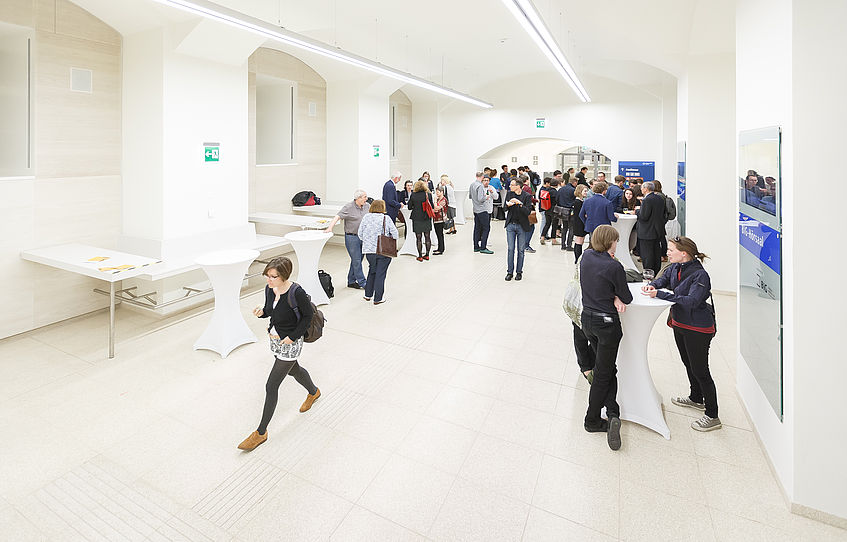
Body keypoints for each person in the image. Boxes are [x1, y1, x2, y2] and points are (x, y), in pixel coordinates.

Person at [238, 257, 321, 451]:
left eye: (273, 277)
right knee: (294, 370)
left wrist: (292, 337)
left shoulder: (296, 292)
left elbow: (307, 316)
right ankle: (314, 392)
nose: (269, 280)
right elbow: (270, 310)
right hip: (275, 339)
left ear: (284, 276)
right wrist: (262, 313)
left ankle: (260, 433)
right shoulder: (269, 289)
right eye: (267, 276)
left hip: (290, 342)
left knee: (271, 385)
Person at [642, 236, 720, 432]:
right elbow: (664, 279)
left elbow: (692, 301)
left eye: (670, 250)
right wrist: (655, 285)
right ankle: (696, 397)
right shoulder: (675, 267)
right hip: (680, 323)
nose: (667, 253)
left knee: (701, 370)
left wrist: (660, 294)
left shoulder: (700, 276)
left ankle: (712, 415)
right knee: (688, 363)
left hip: (697, 328)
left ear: (683, 253)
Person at [579, 225, 632, 451]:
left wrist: (611, 296)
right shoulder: (614, 266)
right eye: (616, 242)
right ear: (609, 242)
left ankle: (612, 411)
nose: (617, 245)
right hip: (607, 325)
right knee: (603, 372)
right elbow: (627, 297)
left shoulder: (586, 256)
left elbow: (595, 285)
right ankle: (592, 419)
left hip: (587, 320)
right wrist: (616, 297)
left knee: (607, 368)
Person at [323, 189, 370, 289]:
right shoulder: (348, 207)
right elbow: (337, 217)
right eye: (364, 197)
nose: (367, 198)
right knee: (356, 260)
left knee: (358, 260)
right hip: (352, 237)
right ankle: (363, 283)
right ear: (358, 198)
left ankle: (351, 281)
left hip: (363, 236)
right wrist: (330, 228)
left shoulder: (367, 206)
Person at [357, 200, 399, 305]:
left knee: (372, 271)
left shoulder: (366, 217)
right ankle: (378, 298)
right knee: (381, 274)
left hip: (369, 251)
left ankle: (368, 294)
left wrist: (369, 241)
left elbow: (360, 234)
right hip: (383, 251)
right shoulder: (386, 218)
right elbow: (395, 234)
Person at [503, 177, 533, 281]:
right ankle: (509, 272)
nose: (510, 186)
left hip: (522, 226)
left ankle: (519, 272)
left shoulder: (527, 196)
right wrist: (508, 205)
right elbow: (504, 208)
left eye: (512, 185)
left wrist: (519, 203)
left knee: (521, 250)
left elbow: (528, 211)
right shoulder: (509, 194)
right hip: (511, 225)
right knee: (511, 249)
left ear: (518, 186)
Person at [636, 181, 665, 277]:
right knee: (656, 252)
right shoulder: (659, 198)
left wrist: (637, 211)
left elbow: (644, 216)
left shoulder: (647, 200)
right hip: (657, 230)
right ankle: (656, 271)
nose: (641, 190)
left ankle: (648, 273)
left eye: (642, 188)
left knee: (647, 254)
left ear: (646, 189)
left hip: (647, 231)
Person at [407, 180, 434, 261]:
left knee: (418, 238)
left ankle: (420, 256)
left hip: (417, 218)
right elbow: (432, 206)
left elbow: (409, 207)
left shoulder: (413, 195)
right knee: (427, 237)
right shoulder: (428, 194)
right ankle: (427, 255)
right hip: (426, 217)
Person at [470, 171, 496, 254]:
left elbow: (470, 196)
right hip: (482, 210)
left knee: (477, 228)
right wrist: (486, 197)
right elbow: (480, 199)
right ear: (481, 177)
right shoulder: (480, 186)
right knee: (486, 228)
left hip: (475, 209)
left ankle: (476, 246)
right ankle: (483, 247)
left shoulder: (472, 185)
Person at [557, 174, 577, 251]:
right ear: (574, 182)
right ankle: (569, 245)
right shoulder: (573, 190)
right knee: (571, 228)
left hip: (562, 211)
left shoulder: (561, 189)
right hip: (571, 211)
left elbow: (557, 199)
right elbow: (575, 201)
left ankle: (563, 245)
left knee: (564, 228)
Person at [571, 184, 589, 263]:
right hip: (579, 224)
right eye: (584, 191)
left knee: (580, 242)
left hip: (579, 223)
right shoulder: (578, 202)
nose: (586, 193)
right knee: (579, 242)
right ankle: (577, 259)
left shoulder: (580, 201)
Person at [519, 174, 537, 253]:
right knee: (531, 227)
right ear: (527, 180)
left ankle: (522, 244)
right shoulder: (528, 188)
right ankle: (526, 245)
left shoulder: (519, 188)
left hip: (520, 209)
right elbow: (530, 198)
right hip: (527, 210)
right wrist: (536, 201)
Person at [539, 178, 559, 245]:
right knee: (554, 225)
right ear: (556, 185)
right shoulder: (555, 192)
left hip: (547, 209)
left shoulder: (546, 190)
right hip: (553, 209)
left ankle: (542, 237)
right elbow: (557, 201)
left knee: (547, 224)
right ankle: (553, 240)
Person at [432, 186, 448, 255]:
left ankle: (441, 249)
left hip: (440, 219)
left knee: (440, 234)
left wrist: (435, 201)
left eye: (438, 192)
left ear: (442, 192)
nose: (436, 194)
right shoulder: (439, 199)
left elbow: (436, 207)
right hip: (436, 218)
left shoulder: (444, 200)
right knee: (438, 234)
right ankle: (439, 248)